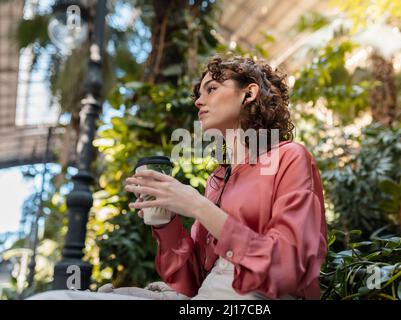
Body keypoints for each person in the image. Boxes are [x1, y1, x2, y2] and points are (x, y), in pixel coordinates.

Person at [28, 55, 327, 300]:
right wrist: (165, 220)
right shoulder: (218, 180)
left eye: (211, 89)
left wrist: (198, 206)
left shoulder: (290, 157)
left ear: (249, 93)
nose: (198, 101)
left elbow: (290, 268)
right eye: (199, 94)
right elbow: (190, 283)